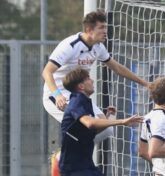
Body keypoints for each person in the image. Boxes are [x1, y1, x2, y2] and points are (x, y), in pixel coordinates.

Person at [42, 9, 149, 143]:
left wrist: (145, 83)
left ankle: (67, 157)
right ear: (89, 29)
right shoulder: (69, 46)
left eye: (106, 27)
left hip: (79, 95)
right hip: (57, 95)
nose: (105, 31)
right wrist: (57, 95)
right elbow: (47, 71)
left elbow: (117, 68)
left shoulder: (98, 47)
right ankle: (62, 158)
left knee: (106, 128)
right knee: (87, 127)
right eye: (101, 27)